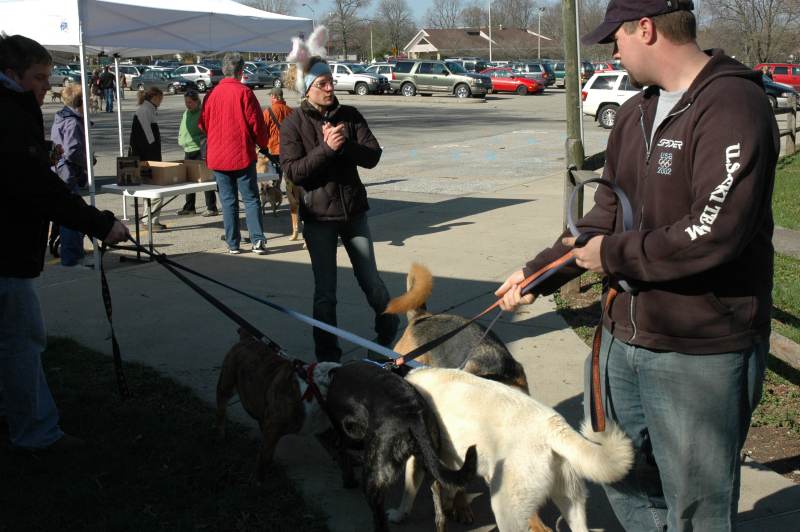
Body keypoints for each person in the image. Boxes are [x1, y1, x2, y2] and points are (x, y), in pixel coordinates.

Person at [495, 1, 777, 531]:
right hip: (623, 341)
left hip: (699, 350)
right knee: (619, 473)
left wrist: (614, 255)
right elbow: (604, 216)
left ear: (645, 29)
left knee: (697, 504)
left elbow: (713, 233)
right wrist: (538, 273)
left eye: (615, 39)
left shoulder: (734, 105)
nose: (614, 51)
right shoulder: (634, 112)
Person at [0, 34, 130, 451]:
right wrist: (101, 223)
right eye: (38, 78)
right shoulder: (9, 113)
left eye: (48, 78)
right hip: (7, 253)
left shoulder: (15, 112)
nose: (45, 86)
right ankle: (37, 432)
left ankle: (15, 413)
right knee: (22, 342)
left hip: (11, 247)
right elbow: (39, 189)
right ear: (11, 75)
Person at [281, 56, 399, 362]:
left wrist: (344, 144)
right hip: (319, 217)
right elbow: (293, 172)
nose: (330, 87)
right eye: (322, 83)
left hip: (354, 213)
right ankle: (328, 358)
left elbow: (372, 156)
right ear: (307, 88)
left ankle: (388, 326)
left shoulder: (350, 115)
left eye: (331, 80)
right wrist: (326, 149)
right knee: (326, 292)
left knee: (370, 280)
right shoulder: (293, 124)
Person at [199, 52, 268, 255]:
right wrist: (262, 144)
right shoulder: (245, 93)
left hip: (219, 156)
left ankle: (233, 243)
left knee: (228, 201)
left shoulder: (212, 94)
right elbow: (257, 125)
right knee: (250, 199)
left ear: (223, 70)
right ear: (241, 71)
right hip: (241, 154)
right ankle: (257, 240)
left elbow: (203, 124)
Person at [50, 82, 90, 266]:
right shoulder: (73, 121)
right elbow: (72, 150)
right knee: (72, 217)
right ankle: (72, 256)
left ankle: (69, 251)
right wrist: (88, 161)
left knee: (68, 214)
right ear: (80, 103)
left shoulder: (61, 117)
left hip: (60, 170)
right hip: (67, 173)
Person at [262, 86, 300, 240]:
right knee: (291, 184)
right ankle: (292, 205)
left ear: (274, 97)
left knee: (274, 180)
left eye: (271, 96)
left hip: (274, 152)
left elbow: (262, 132)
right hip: (290, 152)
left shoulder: (268, 112)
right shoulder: (292, 111)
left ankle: (275, 200)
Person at [129, 86, 166, 231]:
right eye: (161, 98)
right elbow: (148, 138)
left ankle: (150, 220)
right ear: (155, 97)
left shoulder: (147, 109)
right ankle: (149, 221)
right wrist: (154, 162)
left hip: (147, 156)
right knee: (155, 191)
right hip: (148, 157)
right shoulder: (145, 110)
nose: (161, 101)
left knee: (150, 192)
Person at [177, 90, 218, 217]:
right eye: (186, 102)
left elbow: (206, 130)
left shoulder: (201, 113)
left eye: (190, 102)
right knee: (189, 180)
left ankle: (211, 207)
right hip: (187, 149)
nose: (187, 104)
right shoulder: (186, 113)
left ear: (196, 101)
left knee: (204, 179)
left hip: (199, 149)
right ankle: (189, 207)